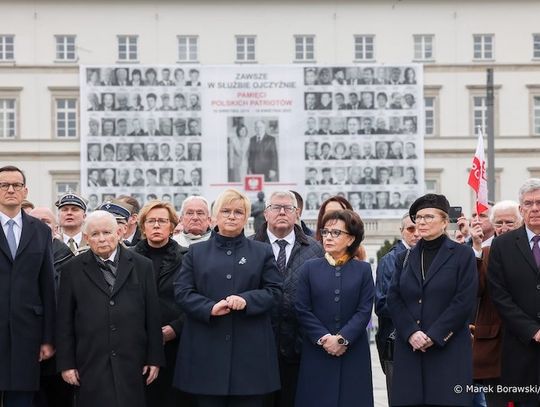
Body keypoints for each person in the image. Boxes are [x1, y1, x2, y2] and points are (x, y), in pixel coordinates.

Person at [173, 189, 282, 406]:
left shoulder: (262, 252)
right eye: (226, 211)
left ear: (246, 217)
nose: (232, 216)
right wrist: (209, 308)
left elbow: (275, 291)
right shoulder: (196, 253)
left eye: (238, 212)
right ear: (214, 217)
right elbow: (183, 292)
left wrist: (248, 300)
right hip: (205, 357)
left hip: (250, 360)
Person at [56, 210, 164, 407]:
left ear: (119, 233)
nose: (102, 239)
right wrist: (66, 364)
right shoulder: (72, 269)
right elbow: (64, 320)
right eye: (95, 234)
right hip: (90, 362)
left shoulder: (142, 266)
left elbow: (152, 315)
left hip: (133, 361)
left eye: (107, 232)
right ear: (87, 238)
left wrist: (154, 358)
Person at [387, 193, 477, 406]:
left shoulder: (462, 255)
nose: (421, 222)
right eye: (418, 217)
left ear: (445, 221)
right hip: (411, 352)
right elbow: (394, 298)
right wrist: (411, 332)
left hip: (448, 350)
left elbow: (464, 300)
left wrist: (434, 335)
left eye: (428, 217)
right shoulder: (405, 257)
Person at [295, 209, 375, 407]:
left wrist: (342, 339)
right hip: (317, 351)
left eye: (336, 233)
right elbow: (302, 308)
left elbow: (364, 310)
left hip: (353, 351)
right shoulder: (309, 268)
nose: (328, 237)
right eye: (325, 232)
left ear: (351, 239)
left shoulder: (363, 270)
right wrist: (324, 339)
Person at [252, 191, 324, 407]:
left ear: (298, 213)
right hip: (258, 350)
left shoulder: (315, 250)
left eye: (288, 208)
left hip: (300, 350)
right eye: (276, 207)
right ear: (266, 213)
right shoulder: (250, 247)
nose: (282, 212)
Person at [0, 166, 56, 407]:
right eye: (4, 185)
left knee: (21, 400)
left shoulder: (40, 230)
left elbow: (47, 286)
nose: (10, 190)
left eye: (16, 185)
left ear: (25, 191)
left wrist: (47, 338)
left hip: (27, 335)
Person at [488, 179, 540, 406]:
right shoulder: (503, 245)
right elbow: (499, 294)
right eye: (528, 203)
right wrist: (532, 330)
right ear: (521, 210)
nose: (535, 208)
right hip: (521, 347)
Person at [131, 201, 186, 407]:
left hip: (175, 344)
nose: (156, 225)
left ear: (172, 226)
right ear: (142, 225)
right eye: (151, 221)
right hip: (136, 345)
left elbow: (193, 299)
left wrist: (175, 329)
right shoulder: (127, 258)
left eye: (162, 221)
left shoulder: (187, 257)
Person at [470, 200, 522, 407]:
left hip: (526, 344)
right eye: (498, 223)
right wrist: (476, 250)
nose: (503, 228)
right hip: (494, 349)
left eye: (509, 222)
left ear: (521, 222)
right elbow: (475, 290)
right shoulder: (486, 252)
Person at [29, 207, 74, 407]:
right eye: (35, 221)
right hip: (25, 345)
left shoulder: (65, 256)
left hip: (57, 347)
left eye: (46, 221)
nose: (40, 225)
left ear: (56, 229)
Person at [374, 214, 420, 406]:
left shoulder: (432, 256)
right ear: (402, 232)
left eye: (420, 227)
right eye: (410, 229)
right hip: (397, 342)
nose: (416, 233)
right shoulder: (390, 260)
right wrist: (416, 321)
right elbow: (383, 304)